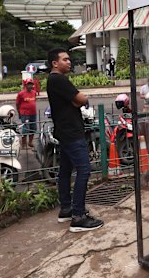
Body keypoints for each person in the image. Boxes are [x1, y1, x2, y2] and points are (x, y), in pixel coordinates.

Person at [47, 48, 104, 232]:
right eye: (65, 59)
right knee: (84, 170)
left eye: (69, 59)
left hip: (64, 132)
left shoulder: (53, 80)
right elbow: (81, 98)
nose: (69, 62)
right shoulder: (59, 80)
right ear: (55, 63)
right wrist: (79, 99)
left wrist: (77, 101)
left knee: (65, 170)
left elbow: (77, 101)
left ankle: (66, 209)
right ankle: (78, 217)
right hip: (71, 133)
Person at [15, 79, 38, 150]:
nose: (30, 86)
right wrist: (19, 112)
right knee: (25, 129)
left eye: (31, 84)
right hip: (25, 114)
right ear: (25, 85)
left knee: (33, 128)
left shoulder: (34, 92)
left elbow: (34, 101)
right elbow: (17, 104)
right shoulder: (21, 94)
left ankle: (30, 142)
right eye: (29, 84)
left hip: (33, 113)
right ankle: (23, 144)